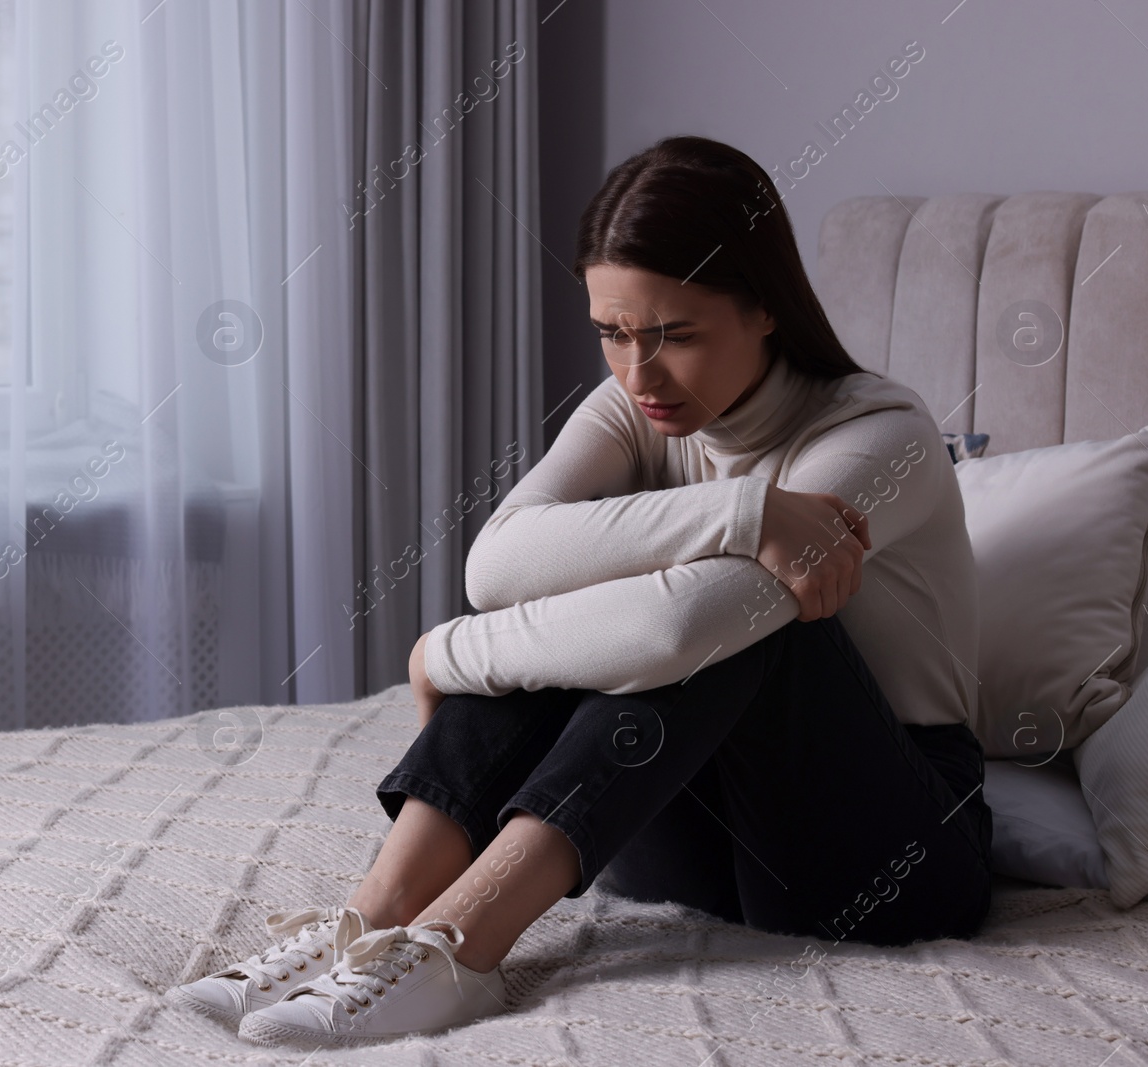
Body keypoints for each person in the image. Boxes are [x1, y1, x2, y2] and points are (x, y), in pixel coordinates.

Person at [167, 135, 993, 1048]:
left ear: (765, 309)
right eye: (613, 332)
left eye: (677, 334)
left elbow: (684, 623)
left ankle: (461, 943)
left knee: (738, 620)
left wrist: (447, 652)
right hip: (685, 834)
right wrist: (747, 508)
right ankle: (377, 913)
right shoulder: (637, 410)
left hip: (890, 856)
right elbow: (499, 563)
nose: (640, 373)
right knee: (597, 613)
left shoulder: (884, 438)